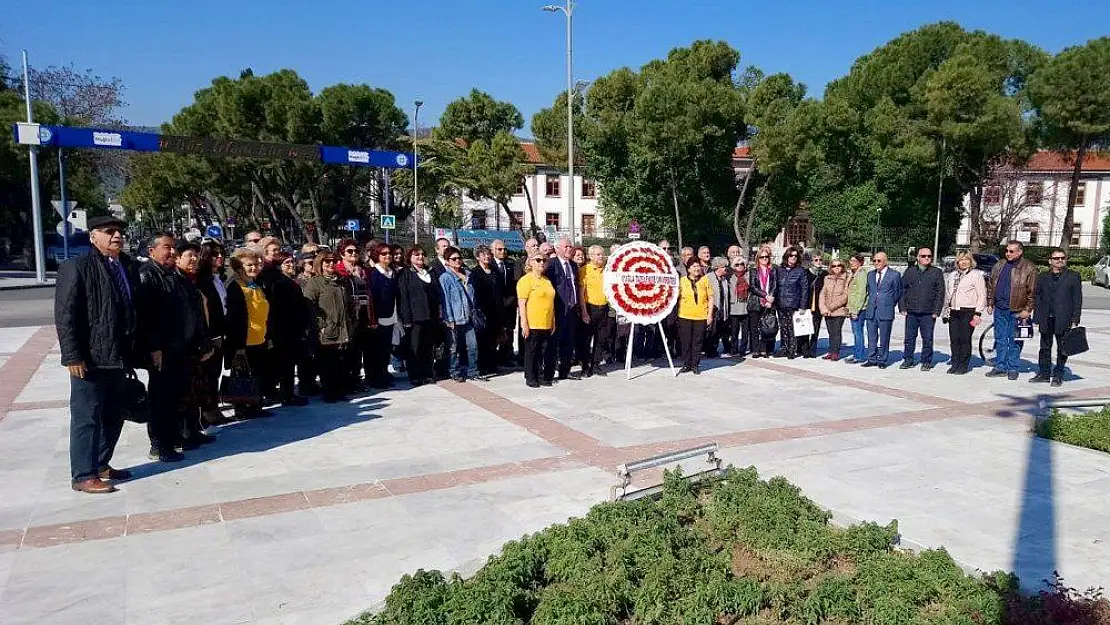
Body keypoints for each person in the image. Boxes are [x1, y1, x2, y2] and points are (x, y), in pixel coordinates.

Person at [55, 216, 137, 493]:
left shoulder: (126, 266)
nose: (117, 236)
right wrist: (72, 356)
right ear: (93, 237)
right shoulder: (77, 267)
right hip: (89, 357)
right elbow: (65, 315)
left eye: (119, 232)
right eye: (109, 231)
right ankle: (83, 474)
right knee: (87, 417)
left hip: (119, 355)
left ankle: (101, 463)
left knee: (114, 413)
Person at [171, 241, 219, 447]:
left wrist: (206, 342)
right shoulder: (175, 281)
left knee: (196, 390)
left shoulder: (194, 281)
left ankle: (193, 429)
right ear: (177, 258)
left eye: (196, 255)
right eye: (189, 255)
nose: (194, 259)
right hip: (182, 347)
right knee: (182, 394)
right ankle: (181, 434)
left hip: (197, 345)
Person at [224, 248, 273, 419]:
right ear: (238, 267)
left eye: (255, 265)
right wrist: (238, 346)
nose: (253, 268)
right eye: (248, 265)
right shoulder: (235, 287)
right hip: (244, 340)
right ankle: (242, 408)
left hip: (259, 337)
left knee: (256, 374)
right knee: (242, 375)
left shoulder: (254, 284)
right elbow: (236, 318)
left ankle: (255, 405)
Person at [301, 252, 356, 402]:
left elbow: (349, 304)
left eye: (333, 261)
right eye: (327, 261)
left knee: (341, 363)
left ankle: (340, 391)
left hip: (343, 329)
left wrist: (351, 321)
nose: (331, 264)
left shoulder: (342, 281)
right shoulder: (315, 282)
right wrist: (321, 325)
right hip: (326, 332)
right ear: (320, 263)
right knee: (327, 364)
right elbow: (308, 306)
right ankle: (329, 392)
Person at [258, 246, 309, 405]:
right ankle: (287, 395)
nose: (291, 265)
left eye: (292, 262)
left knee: (289, 363)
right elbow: (281, 309)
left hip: (291, 329)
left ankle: (287, 393)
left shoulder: (289, 281)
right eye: (286, 263)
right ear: (280, 266)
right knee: (286, 364)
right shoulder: (281, 283)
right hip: (285, 330)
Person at [985, 241, 1037, 380]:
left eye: (1011, 251)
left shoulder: (1029, 268)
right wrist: (990, 302)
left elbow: (1033, 292)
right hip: (1000, 309)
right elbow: (991, 285)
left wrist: (1028, 309)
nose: (1008, 253)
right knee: (1000, 339)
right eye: (1007, 250)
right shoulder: (999, 265)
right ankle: (1000, 366)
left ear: (1020, 252)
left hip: (1018, 311)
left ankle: (1013, 367)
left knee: (1015, 340)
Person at [1032, 249, 1082, 387]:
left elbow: (1077, 299)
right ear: (1050, 261)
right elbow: (1038, 297)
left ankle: (1058, 374)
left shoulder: (1073, 276)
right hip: (1046, 318)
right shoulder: (1042, 277)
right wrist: (1036, 317)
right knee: (1044, 348)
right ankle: (1044, 373)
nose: (1059, 260)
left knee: (1062, 348)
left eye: (1062, 258)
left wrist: (1075, 318)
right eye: (1056, 258)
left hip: (1063, 318)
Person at [397, 246, 441, 387]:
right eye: (416, 255)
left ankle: (427, 373)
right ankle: (415, 375)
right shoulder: (405, 273)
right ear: (410, 257)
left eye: (422, 254)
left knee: (428, 347)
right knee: (415, 347)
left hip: (431, 316)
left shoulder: (431, 272)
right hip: (415, 318)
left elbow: (437, 293)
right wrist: (406, 319)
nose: (420, 257)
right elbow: (404, 297)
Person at [196, 242, 230, 425]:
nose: (219, 257)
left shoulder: (219, 278)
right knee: (207, 374)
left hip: (221, 332)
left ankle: (213, 407)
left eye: (221, 254)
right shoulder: (202, 280)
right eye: (214, 254)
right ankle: (207, 410)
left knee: (215, 372)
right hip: (211, 334)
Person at [335, 237, 374, 391]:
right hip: (348, 317)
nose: (354, 254)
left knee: (358, 350)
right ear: (342, 253)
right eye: (349, 251)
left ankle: (356, 379)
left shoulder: (362, 270)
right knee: (348, 351)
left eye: (356, 251)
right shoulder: (339, 270)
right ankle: (347, 381)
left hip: (364, 315)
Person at [898, 247, 945, 371]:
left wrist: (936, 311)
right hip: (911, 311)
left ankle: (926, 361)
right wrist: (902, 307)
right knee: (909, 338)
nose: (927, 258)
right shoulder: (910, 271)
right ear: (918, 257)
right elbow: (902, 290)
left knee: (927, 338)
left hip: (928, 313)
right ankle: (908, 359)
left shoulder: (936, 272)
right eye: (923, 256)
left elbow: (940, 293)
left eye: (929, 256)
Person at [942, 251, 987, 375]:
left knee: (965, 338)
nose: (964, 262)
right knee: (954, 339)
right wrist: (946, 311)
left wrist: (978, 313)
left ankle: (963, 364)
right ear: (957, 261)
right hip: (954, 311)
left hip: (968, 311)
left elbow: (982, 295)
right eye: (961, 259)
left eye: (966, 259)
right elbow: (948, 295)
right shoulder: (952, 275)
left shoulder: (975, 275)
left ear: (970, 261)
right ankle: (955, 361)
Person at [518, 251, 558, 387]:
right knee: (532, 352)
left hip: (547, 322)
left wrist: (553, 321)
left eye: (544, 261)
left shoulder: (547, 281)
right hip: (533, 322)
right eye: (538, 260)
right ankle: (530, 377)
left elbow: (551, 302)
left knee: (544, 351)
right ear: (530, 262)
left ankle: (541, 375)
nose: (542, 263)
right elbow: (522, 304)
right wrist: (524, 323)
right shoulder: (526, 280)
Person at [439, 246, 479, 382]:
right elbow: (446, 300)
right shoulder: (445, 277)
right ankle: (454, 371)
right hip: (455, 317)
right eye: (453, 259)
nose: (457, 261)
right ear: (447, 261)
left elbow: (472, 297)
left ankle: (472, 370)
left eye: (459, 258)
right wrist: (449, 318)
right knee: (453, 347)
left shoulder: (467, 274)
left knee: (472, 345)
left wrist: (467, 283)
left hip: (468, 316)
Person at [545, 237, 582, 379]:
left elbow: (574, 285)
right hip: (557, 310)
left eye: (570, 246)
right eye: (566, 246)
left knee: (569, 342)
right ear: (557, 248)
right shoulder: (551, 264)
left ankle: (564, 372)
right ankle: (549, 373)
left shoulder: (573, 265)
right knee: (553, 343)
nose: (569, 249)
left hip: (571, 310)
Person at [861, 252, 903, 368]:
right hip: (871, 311)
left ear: (885, 261)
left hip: (885, 311)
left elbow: (897, 292)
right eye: (874, 261)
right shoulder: (870, 275)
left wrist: (888, 303)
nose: (876, 263)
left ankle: (883, 360)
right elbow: (870, 290)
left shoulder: (894, 275)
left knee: (884, 337)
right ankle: (871, 358)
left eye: (879, 261)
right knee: (871, 336)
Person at [367, 243, 400, 388]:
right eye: (383, 253)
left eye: (389, 253)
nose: (388, 256)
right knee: (377, 350)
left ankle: (384, 373)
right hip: (378, 318)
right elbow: (372, 297)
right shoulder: (373, 273)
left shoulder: (392, 272)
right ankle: (376, 377)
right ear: (377, 256)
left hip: (391, 316)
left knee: (386, 349)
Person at [470, 245, 504, 377]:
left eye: (488, 254)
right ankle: (482, 366)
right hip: (482, 311)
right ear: (478, 257)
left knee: (494, 339)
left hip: (496, 310)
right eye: (483, 254)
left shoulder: (495, 271)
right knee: (482, 340)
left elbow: (501, 291)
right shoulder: (475, 273)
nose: (487, 257)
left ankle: (492, 364)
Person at [577, 245, 610, 377]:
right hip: (590, 308)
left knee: (601, 339)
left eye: (602, 254)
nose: (601, 256)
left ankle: (596, 364)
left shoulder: (607, 271)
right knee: (586, 340)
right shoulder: (585, 270)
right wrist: (584, 312)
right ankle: (585, 366)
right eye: (597, 254)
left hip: (604, 308)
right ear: (590, 256)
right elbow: (581, 293)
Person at [677, 258, 714, 374]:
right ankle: (686, 364)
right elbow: (676, 297)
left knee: (697, 341)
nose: (697, 268)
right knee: (685, 341)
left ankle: (695, 364)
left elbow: (711, 297)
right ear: (688, 269)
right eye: (694, 266)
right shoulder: (682, 281)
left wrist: (710, 314)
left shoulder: (705, 280)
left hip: (701, 316)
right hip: (685, 315)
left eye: (698, 266)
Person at [775, 246, 810, 359]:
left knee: (792, 327)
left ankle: (792, 349)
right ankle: (784, 348)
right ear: (787, 256)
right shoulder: (779, 270)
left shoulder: (801, 271)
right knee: (783, 327)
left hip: (793, 303)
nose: (793, 258)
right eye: (791, 255)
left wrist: (802, 306)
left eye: (795, 256)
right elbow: (775, 286)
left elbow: (805, 289)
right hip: (781, 303)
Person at [491, 239, 518, 366]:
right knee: (496, 331)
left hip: (510, 303)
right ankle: (493, 357)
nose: (503, 251)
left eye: (504, 249)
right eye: (499, 249)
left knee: (509, 331)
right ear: (493, 251)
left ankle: (506, 355)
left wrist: (512, 300)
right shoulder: (489, 265)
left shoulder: (510, 264)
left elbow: (514, 283)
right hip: (495, 304)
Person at [748, 245, 778, 358]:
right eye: (762, 257)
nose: (764, 259)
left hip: (770, 302)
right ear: (758, 258)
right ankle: (756, 349)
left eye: (766, 257)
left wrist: (770, 297)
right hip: (756, 301)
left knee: (767, 326)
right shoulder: (753, 270)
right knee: (755, 327)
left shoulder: (773, 270)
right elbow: (752, 286)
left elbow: (775, 285)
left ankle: (764, 349)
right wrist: (765, 295)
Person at [819, 258, 850, 361]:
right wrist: (823, 308)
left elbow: (845, 296)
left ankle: (835, 353)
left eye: (839, 265)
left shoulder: (846, 278)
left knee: (836, 332)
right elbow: (822, 293)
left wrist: (830, 307)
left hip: (839, 311)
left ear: (842, 267)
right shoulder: (827, 278)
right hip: (827, 311)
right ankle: (830, 351)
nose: (836, 268)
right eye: (834, 266)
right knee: (830, 332)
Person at [800, 253, 827, 358]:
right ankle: (804, 350)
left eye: (820, 260)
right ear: (811, 261)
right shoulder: (806, 273)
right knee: (805, 328)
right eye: (816, 260)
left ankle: (813, 350)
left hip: (818, 305)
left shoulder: (824, 274)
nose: (819, 262)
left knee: (816, 329)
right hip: (807, 304)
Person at [845, 254, 870, 364]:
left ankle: (859, 356)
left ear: (860, 262)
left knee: (858, 332)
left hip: (859, 309)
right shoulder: (854, 273)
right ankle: (857, 353)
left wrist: (855, 310)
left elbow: (861, 293)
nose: (851, 263)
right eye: (850, 261)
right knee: (856, 332)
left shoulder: (861, 274)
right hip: (853, 307)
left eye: (854, 261)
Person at [723, 257, 750, 357]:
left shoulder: (748, 276)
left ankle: (743, 349)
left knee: (745, 332)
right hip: (734, 308)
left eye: (742, 264)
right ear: (734, 266)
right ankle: (734, 349)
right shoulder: (730, 277)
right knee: (734, 331)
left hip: (745, 307)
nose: (740, 266)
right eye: (737, 265)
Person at [705, 257, 731, 357]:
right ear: (717, 267)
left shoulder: (724, 279)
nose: (726, 269)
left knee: (720, 330)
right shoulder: (708, 278)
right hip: (713, 308)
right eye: (724, 267)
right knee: (712, 331)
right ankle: (710, 351)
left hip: (722, 309)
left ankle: (714, 350)